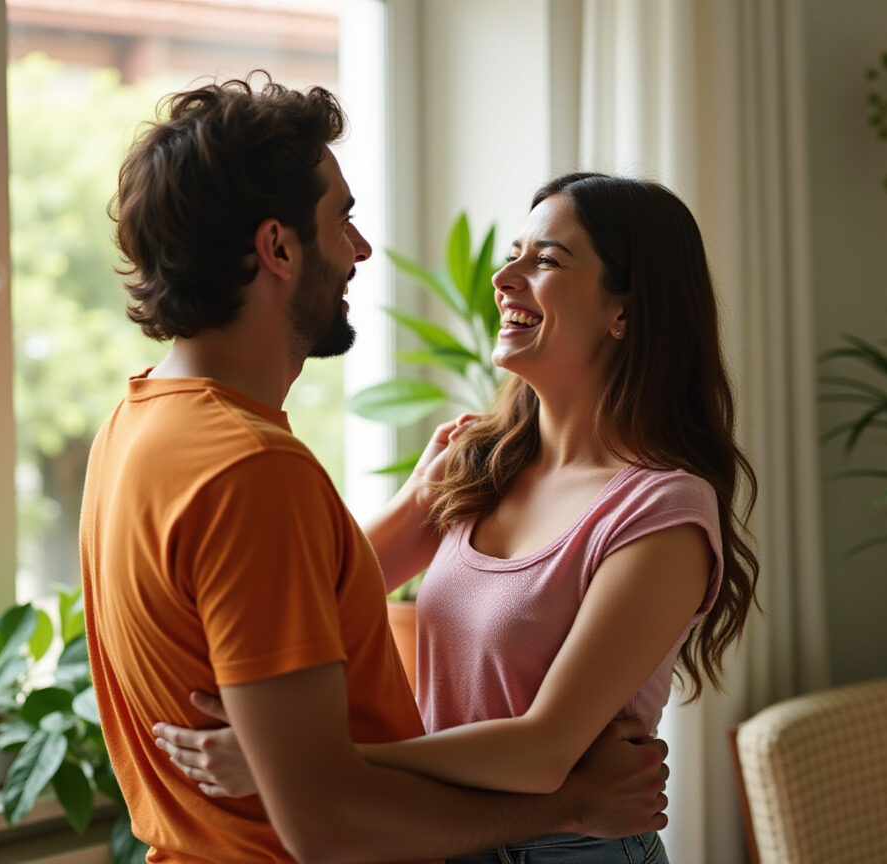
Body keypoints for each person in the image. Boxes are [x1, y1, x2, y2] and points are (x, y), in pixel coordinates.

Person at [80, 74, 670, 864]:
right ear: (279, 247)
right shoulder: (253, 472)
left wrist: (417, 507)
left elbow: (290, 593)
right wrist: (572, 804)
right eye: (343, 220)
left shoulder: (136, 425)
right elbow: (326, 819)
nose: (359, 249)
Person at [152, 171, 760, 864]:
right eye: (514, 253)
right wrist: (416, 500)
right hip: (444, 837)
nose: (505, 277)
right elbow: (327, 595)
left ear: (626, 310)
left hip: (567, 852)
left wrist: (308, 769)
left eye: (547, 260)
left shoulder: (663, 512)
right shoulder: (480, 463)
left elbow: (543, 751)